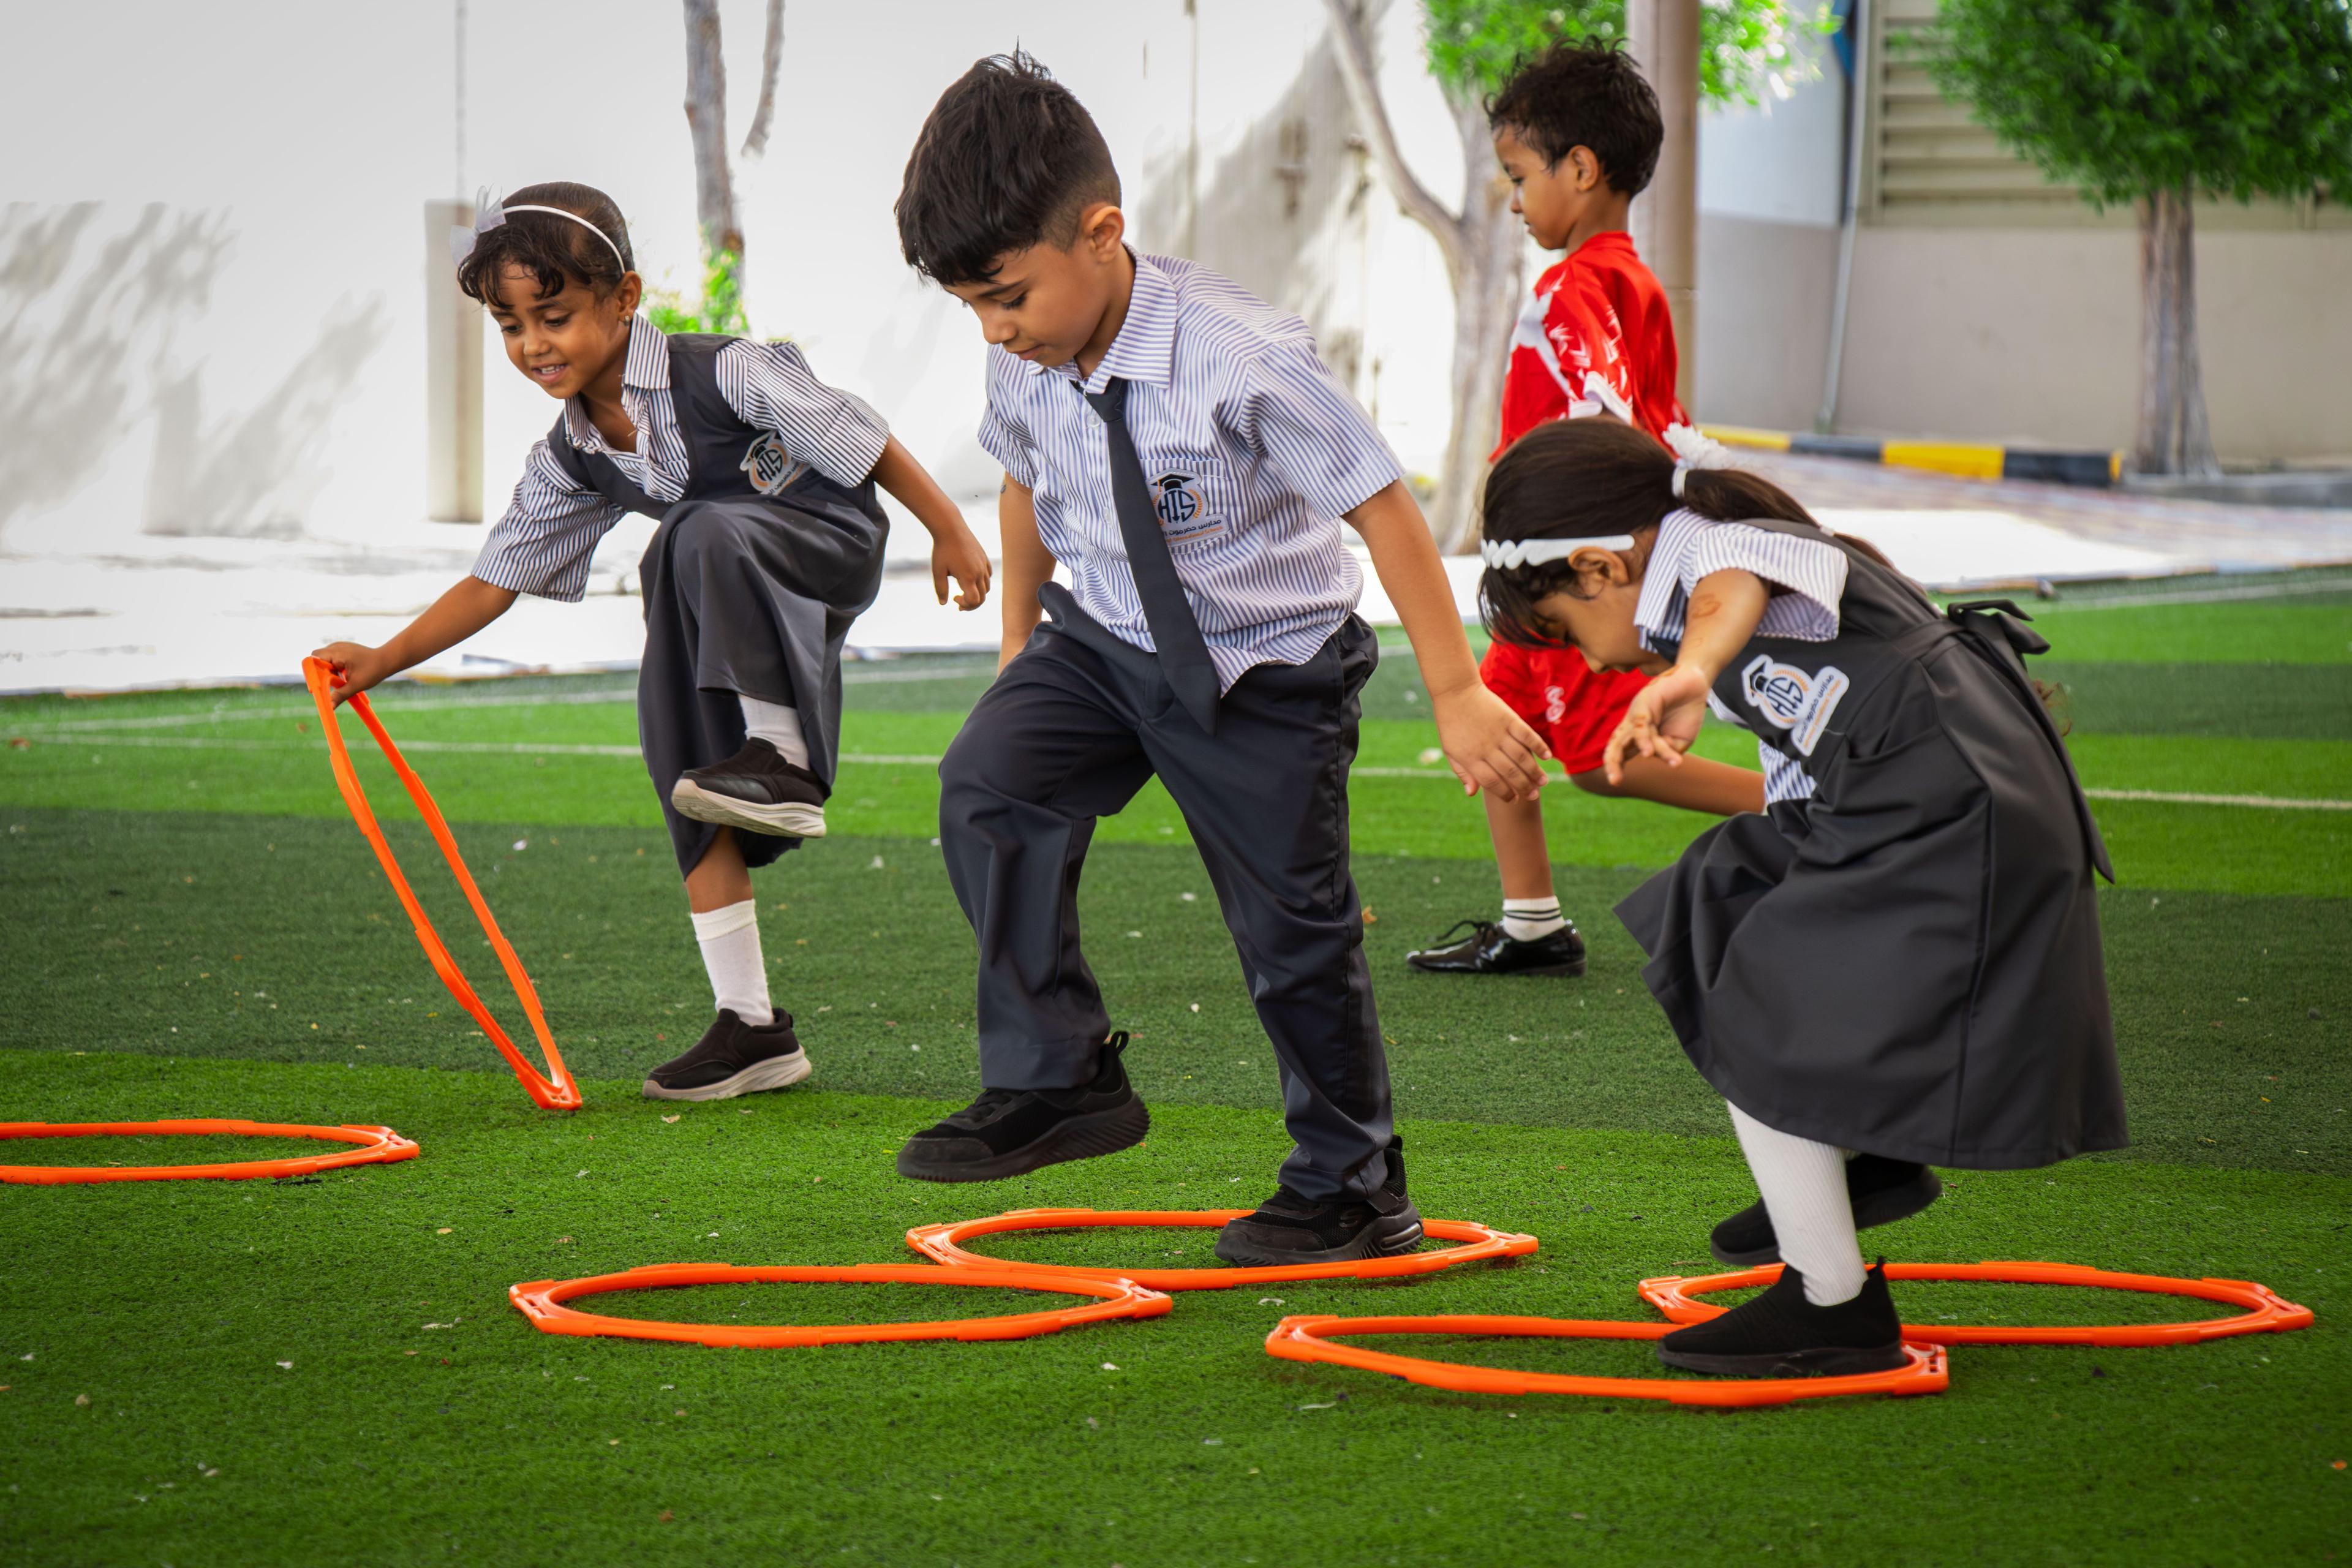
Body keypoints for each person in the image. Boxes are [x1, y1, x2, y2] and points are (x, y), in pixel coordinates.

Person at [890, 53, 1551, 1266]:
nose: (994, 329)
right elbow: (1028, 488)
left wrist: (1456, 690)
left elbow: (1386, 506)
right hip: (1102, 640)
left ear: (1101, 234)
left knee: (1293, 934)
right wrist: (1014, 654)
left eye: (1006, 295)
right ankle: (1060, 1072)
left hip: (1265, 670)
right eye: (971, 306)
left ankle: (1352, 1184)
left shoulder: (1240, 355)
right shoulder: (1026, 354)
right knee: (987, 781)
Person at [311, 182, 993, 1104]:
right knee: (679, 758)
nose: (533, 346)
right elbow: (493, 578)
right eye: (510, 327)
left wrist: (949, 529)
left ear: (624, 300)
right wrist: (383, 660)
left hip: (822, 544)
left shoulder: (729, 372)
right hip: (717, 599)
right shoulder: (571, 454)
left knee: (694, 531)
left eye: (552, 316)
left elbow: (861, 440)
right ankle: (751, 1028)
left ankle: (782, 757)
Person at [1479, 417, 2127, 1376]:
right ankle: (1862, 1155)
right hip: (1919, 791)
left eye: (1558, 629)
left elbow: (1727, 592)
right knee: (1714, 899)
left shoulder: (1716, 553)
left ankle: (1833, 1304)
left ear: (1597, 567)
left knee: (1765, 998)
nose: (1585, 661)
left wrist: (1694, 672)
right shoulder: (1702, 563)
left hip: (1951, 804)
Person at [1408, 40, 1761, 982]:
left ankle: (1795, 803)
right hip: (1556, 571)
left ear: (1582, 168)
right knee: (1499, 729)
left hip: (1573, 574)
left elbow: (1605, 421)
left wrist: (1582, 550)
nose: (1515, 200)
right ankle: (1532, 923)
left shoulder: (1575, 289)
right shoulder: (1638, 280)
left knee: (1604, 761)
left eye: (1520, 177)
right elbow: (1665, 422)